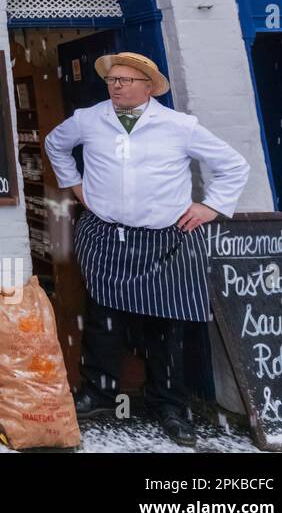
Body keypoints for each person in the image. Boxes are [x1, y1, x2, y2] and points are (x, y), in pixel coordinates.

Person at [43, 51, 249, 447]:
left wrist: (211, 206)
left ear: (148, 87)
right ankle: (99, 392)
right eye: (112, 80)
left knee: (167, 324)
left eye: (125, 81)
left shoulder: (179, 126)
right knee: (103, 318)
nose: (116, 86)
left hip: (165, 239)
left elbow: (234, 165)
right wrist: (74, 184)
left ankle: (168, 404)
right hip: (106, 234)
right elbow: (55, 144)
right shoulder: (90, 119)